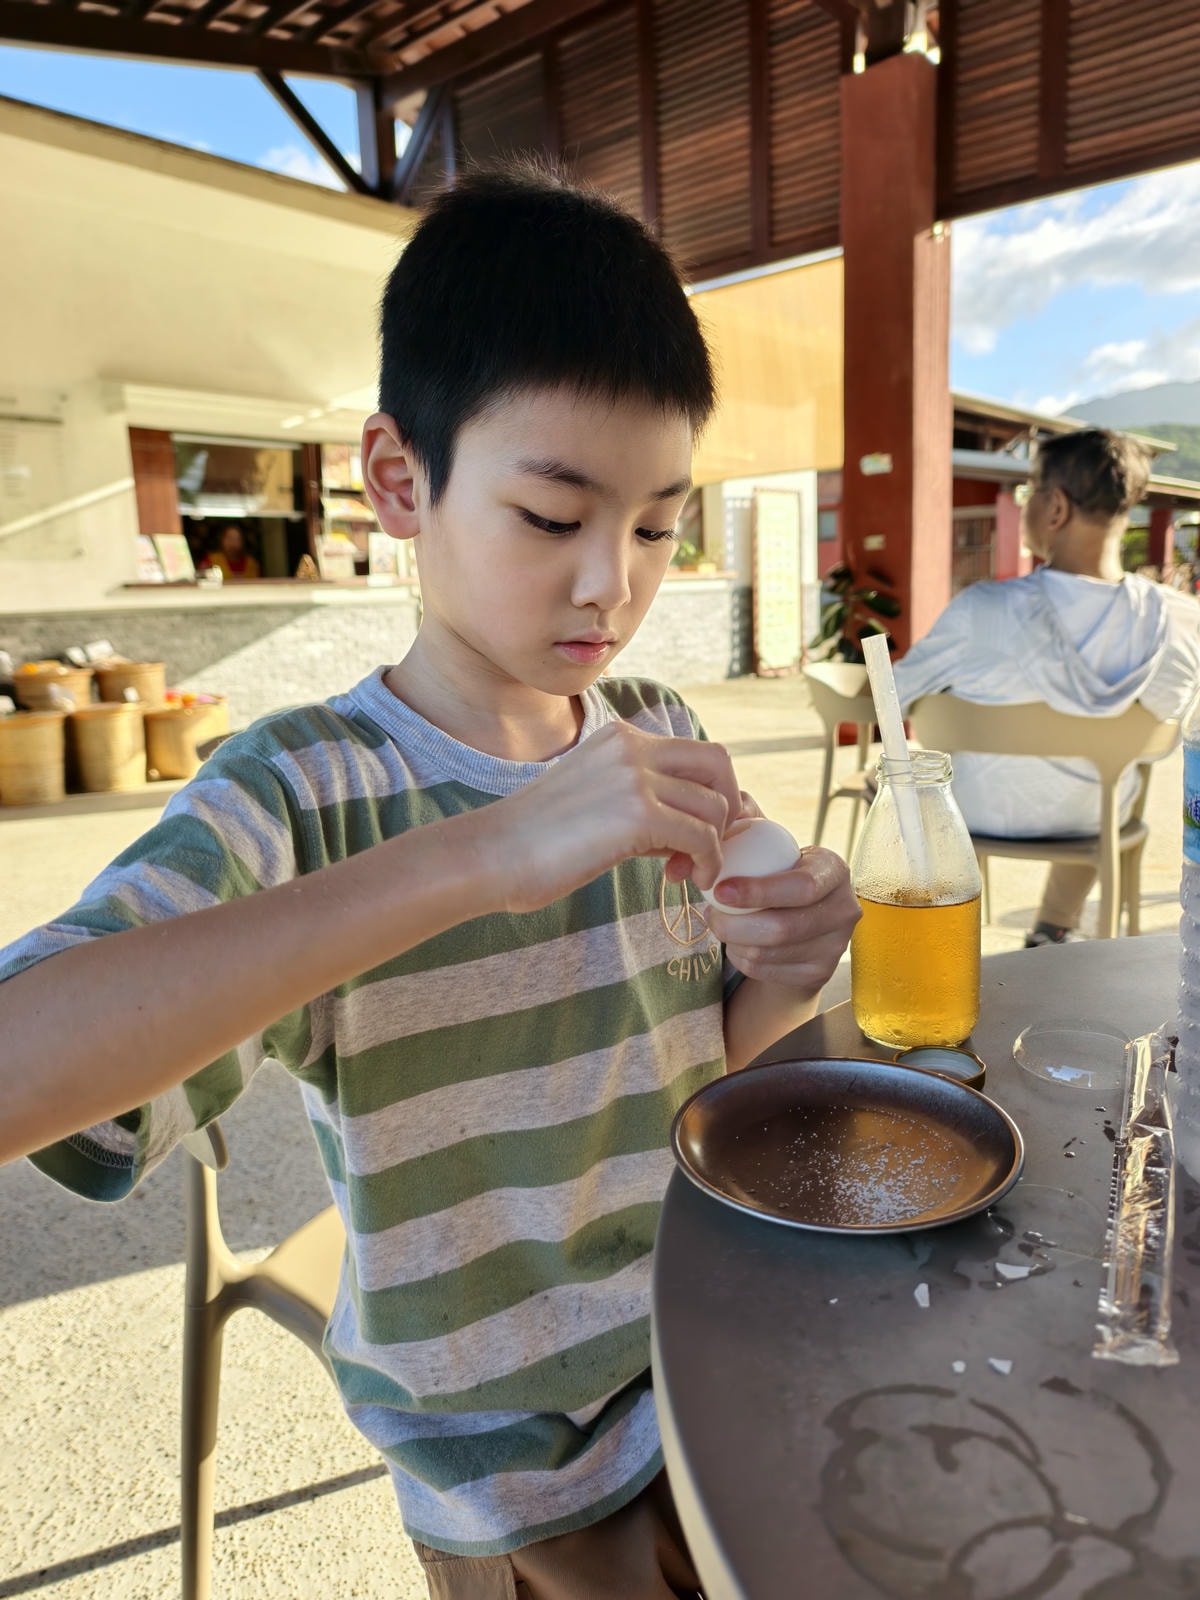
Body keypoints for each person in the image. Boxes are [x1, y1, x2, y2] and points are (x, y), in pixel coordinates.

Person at [0, 165, 860, 1598]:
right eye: (550, 516)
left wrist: (780, 972)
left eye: (655, 526)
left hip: (700, 1348)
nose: (611, 585)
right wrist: (481, 853)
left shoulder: (664, 734)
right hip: (504, 1450)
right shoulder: (305, 791)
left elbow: (689, 1067)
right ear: (402, 480)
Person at [893, 428, 1200, 946]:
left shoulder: (984, 609)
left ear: (1056, 507)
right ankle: (1053, 928)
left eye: (1030, 490)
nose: (1026, 503)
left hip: (974, 815)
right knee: (1105, 779)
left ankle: (932, 942)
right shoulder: (1183, 621)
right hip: (1099, 819)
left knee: (905, 781)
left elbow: (893, 691)